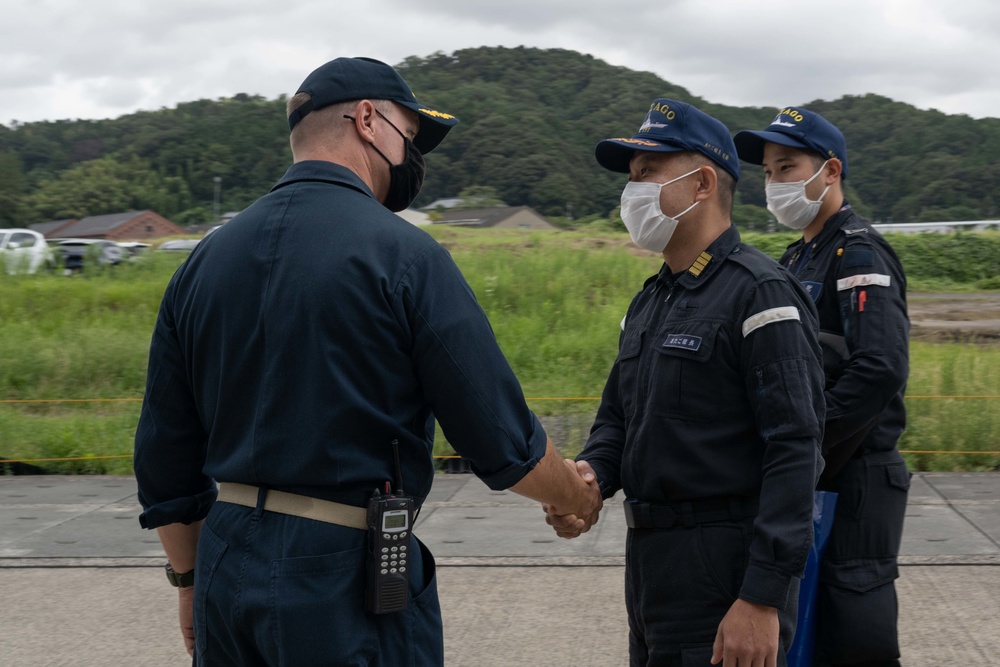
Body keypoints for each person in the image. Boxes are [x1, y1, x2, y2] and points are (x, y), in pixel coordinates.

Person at [133, 56, 601, 667]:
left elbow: (164, 458)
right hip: (343, 570)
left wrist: (190, 580)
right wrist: (576, 496)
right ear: (367, 120)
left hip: (226, 559)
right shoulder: (404, 256)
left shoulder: (202, 262)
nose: (411, 159)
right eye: (410, 137)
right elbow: (501, 438)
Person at [546, 98, 825, 667]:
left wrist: (761, 597)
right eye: (631, 177)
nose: (633, 190)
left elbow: (795, 449)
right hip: (651, 565)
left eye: (648, 173)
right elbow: (619, 421)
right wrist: (590, 479)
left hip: (724, 569)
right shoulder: (650, 301)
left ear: (701, 184)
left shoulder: (759, 293)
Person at [734, 108, 910, 667]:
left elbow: (878, 367)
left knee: (853, 624)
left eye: (788, 167)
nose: (774, 183)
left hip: (856, 473)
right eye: (767, 172)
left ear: (830, 171)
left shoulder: (857, 252)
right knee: (806, 624)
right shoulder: (799, 254)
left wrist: (805, 442)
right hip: (820, 471)